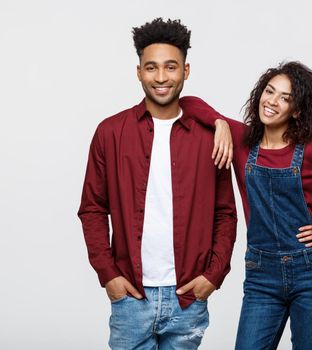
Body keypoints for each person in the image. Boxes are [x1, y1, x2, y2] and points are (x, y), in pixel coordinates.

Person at [182, 61, 312, 349]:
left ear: (298, 110)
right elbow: (188, 103)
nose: (273, 102)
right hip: (261, 275)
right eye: (269, 91)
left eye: (285, 98)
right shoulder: (242, 140)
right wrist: (219, 123)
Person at [77, 18, 237, 350]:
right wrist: (109, 275)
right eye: (151, 67)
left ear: (186, 71)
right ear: (138, 72)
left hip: (187, 299)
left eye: (171, 67)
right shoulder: (110, 133)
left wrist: (213, 275)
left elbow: (225, 213)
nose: (161, 78)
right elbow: (92, 209)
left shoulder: (211, 138)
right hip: (131, 296)